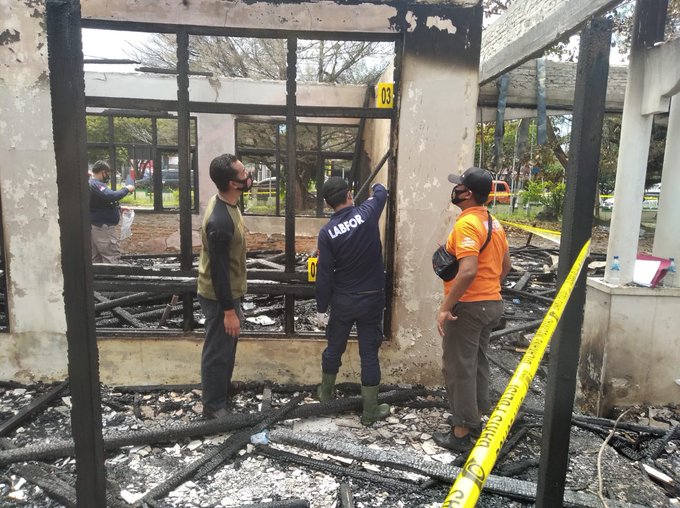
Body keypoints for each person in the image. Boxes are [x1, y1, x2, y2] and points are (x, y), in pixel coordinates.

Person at [434, 167, 512, 452]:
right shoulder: (493, 223)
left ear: (466, 194)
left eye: (458, 186)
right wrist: (489, 289)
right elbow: (506, 266)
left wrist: (446, 307)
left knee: (458, 368)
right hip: (491, 304)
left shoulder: (467, 225)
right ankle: (475, 417)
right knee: (477, 362)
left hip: (468, 308)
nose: (454, 190)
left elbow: (467, 271)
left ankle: (461, 432)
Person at [315, 177, 389, 425]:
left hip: (343, 301)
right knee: (369, 354)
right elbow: (381, 193)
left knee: (334, 348)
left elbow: (324, 273)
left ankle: (325, 396)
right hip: (371, 300)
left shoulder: (327, 233)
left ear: (328, 203)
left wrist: (321, 307)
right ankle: (370, 411)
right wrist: (375, 186)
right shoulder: (367, 212)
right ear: (349, 195)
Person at [196, 154, 253, 419]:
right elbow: (219, 272)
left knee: (227, 346)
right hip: (220, 296)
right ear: (232, 183)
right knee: (217, 350)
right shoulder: (220, 222)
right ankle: (213, 407)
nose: (248, 175)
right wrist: (229, 311)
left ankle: (223, 388)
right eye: (243, 174)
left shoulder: (227, 202)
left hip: (229, 293)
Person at [89, 160, 134, 263]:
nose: (108, 177)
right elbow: (111, 196)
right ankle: (111, 274)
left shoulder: (92, 184)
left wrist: (119, 208)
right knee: (111, 256)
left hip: (96, 226)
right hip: (103, 228)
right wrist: (126, 189)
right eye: (107, 174)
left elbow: (99, 203)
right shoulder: (96, 184)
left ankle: (98, 274)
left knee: (97, 258)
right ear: (103, 172)